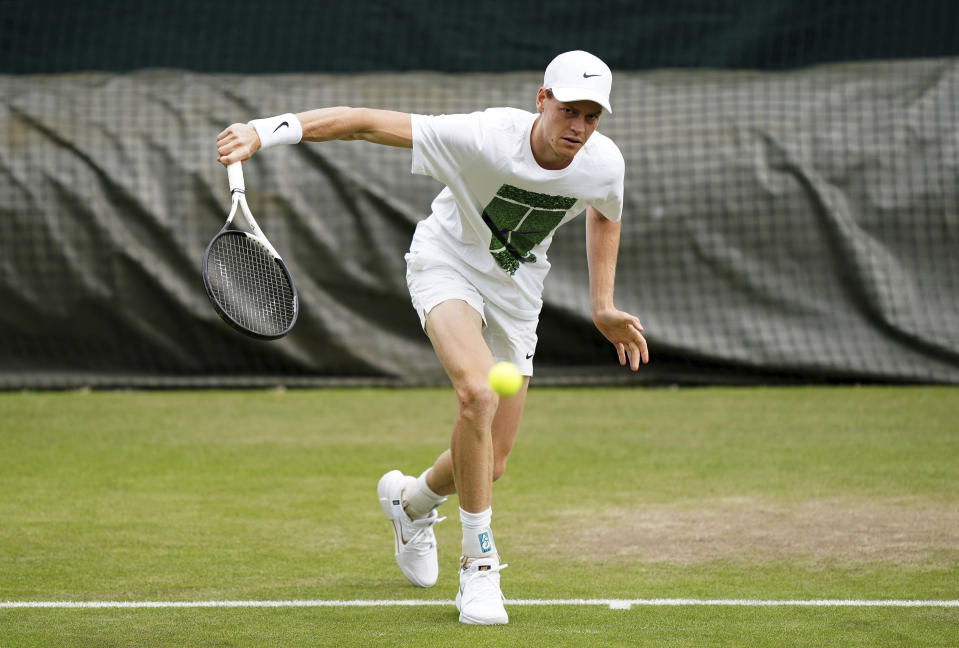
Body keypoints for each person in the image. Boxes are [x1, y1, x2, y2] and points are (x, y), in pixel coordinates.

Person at [216, 50, 648, 626]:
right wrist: (262, 132)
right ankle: (480, 567)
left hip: (517, 293)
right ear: (541, 101)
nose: (579, 127)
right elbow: (366, 121)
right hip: (444, 264)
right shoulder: (482, 137)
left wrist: (602, 304)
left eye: (592, 116)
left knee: (489, 464)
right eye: (569, 110)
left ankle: (411, 504)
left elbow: (605, 212)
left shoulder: (603, 163)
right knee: (476, 393)